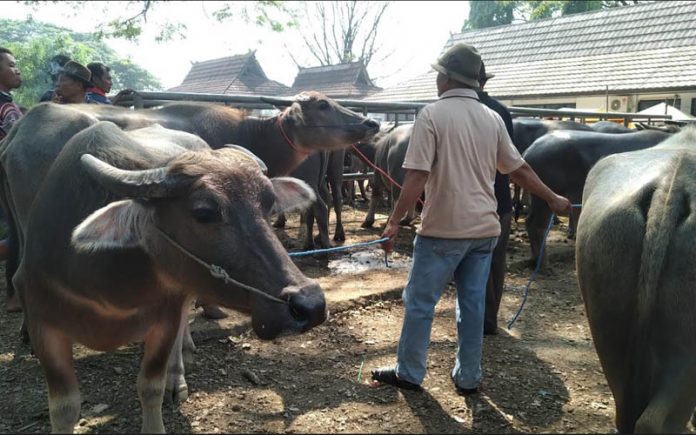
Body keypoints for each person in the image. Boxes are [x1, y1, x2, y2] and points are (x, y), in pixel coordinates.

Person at [369, 43, 571, 394]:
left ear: (445, 78)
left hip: (442, 232)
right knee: (473, 304)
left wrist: (393, 221)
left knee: (419, 302)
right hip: (484, 232)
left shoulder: (431, 115)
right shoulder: (491, 118)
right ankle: (468, 377)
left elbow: (415, 177)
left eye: (438, 74)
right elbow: (518, 169)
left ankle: (410, 372)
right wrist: (552, 198)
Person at [476, 61, 514, 336]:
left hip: (470, 201)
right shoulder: (502, 111)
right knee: (496, 259)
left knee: (472, 262)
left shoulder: (455, 111)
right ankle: (490, 319)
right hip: (500, 198)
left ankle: (476, 318)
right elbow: (510, 160)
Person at [0, 47, 22, 310]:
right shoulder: (3, 103)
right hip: (6, 175)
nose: (17, 70)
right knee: (18, 232)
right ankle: (15, 295)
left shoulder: (7, 100)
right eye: (11, 65)